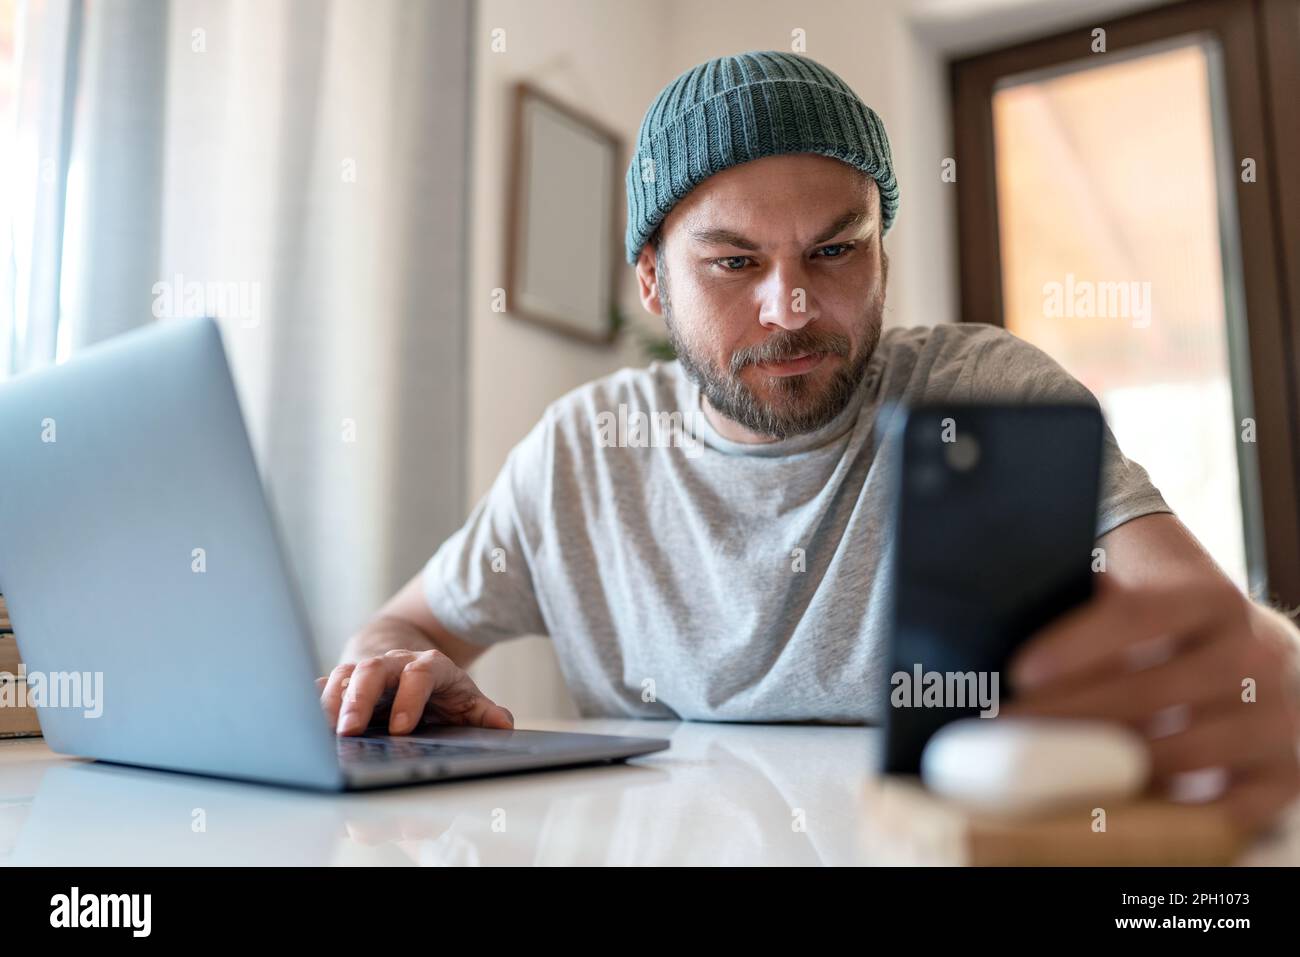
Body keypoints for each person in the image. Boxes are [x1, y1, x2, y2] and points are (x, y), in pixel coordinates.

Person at [319, 51, 1300, 835]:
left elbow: (1224, 636)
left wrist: (1263, 678)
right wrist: (398, 672)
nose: (788, 308)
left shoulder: (982, 393)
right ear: (653, 282)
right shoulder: (581, 451)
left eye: (834, 251)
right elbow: (398, 633)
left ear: (882, 248)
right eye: (734, 263)